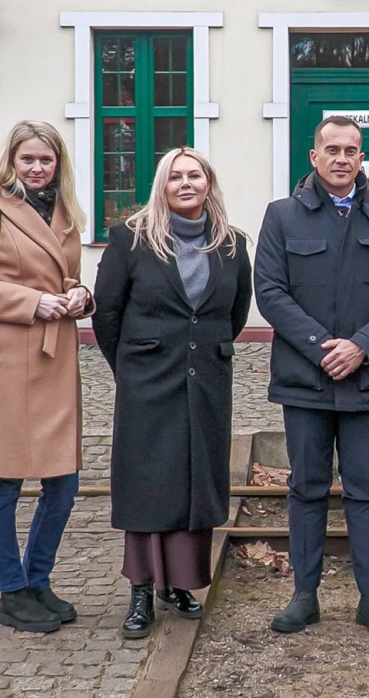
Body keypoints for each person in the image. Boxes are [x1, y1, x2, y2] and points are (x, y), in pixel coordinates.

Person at [254, 116, 369, 635]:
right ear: (314, 155)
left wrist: (362, 346)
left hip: (366, 380)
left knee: (366, 488)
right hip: (306, 379)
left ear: (361, 156)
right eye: (333, 149)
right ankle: (305, 596)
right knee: (306, 487)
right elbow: (270, 291)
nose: (343, 158)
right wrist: (322, 348)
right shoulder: (282, 217)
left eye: (352, 150)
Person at [92, 147, 252, 638]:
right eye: (175, 177)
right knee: (146, 480)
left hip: (206, 378)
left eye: (195, 175)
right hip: (147, 377)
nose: (186, 184)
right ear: (162, 187)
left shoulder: (230, 244)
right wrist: (132, 363)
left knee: (195, 477)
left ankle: (180, 583)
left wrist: (204, 350)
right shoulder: (130, 239)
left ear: (209, 183)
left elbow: (235, 310)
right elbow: (106, 313)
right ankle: (141, 589)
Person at [0, 120, 93, 633]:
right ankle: (10, 591)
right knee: (4, 481)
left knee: (64, 482)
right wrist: (34, 302)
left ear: (58, 165)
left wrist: (80, 296)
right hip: (3, 362)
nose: (36, 168)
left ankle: (38, 579)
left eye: (45, 160)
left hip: (54, 360)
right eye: (27, 159)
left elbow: (64, 275)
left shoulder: (66, 214)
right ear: (10, 162)